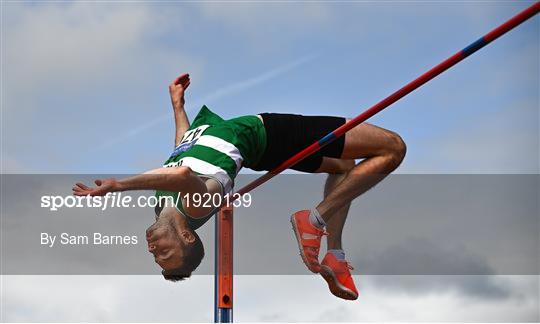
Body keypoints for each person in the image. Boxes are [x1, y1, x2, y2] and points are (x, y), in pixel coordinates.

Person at [73, 73, 406, 300]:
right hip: (268, 135)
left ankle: (334, 253)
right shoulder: (196, 207)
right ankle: (315, 219)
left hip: (261, 150)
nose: (153, 250)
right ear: (187, 236)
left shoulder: (162, 206)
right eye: (164, 253)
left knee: (345, 168)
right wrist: (119, 186)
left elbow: (181, 150)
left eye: (155, 256)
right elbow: (181, 175)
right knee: (392, 147)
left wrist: (178, 106)